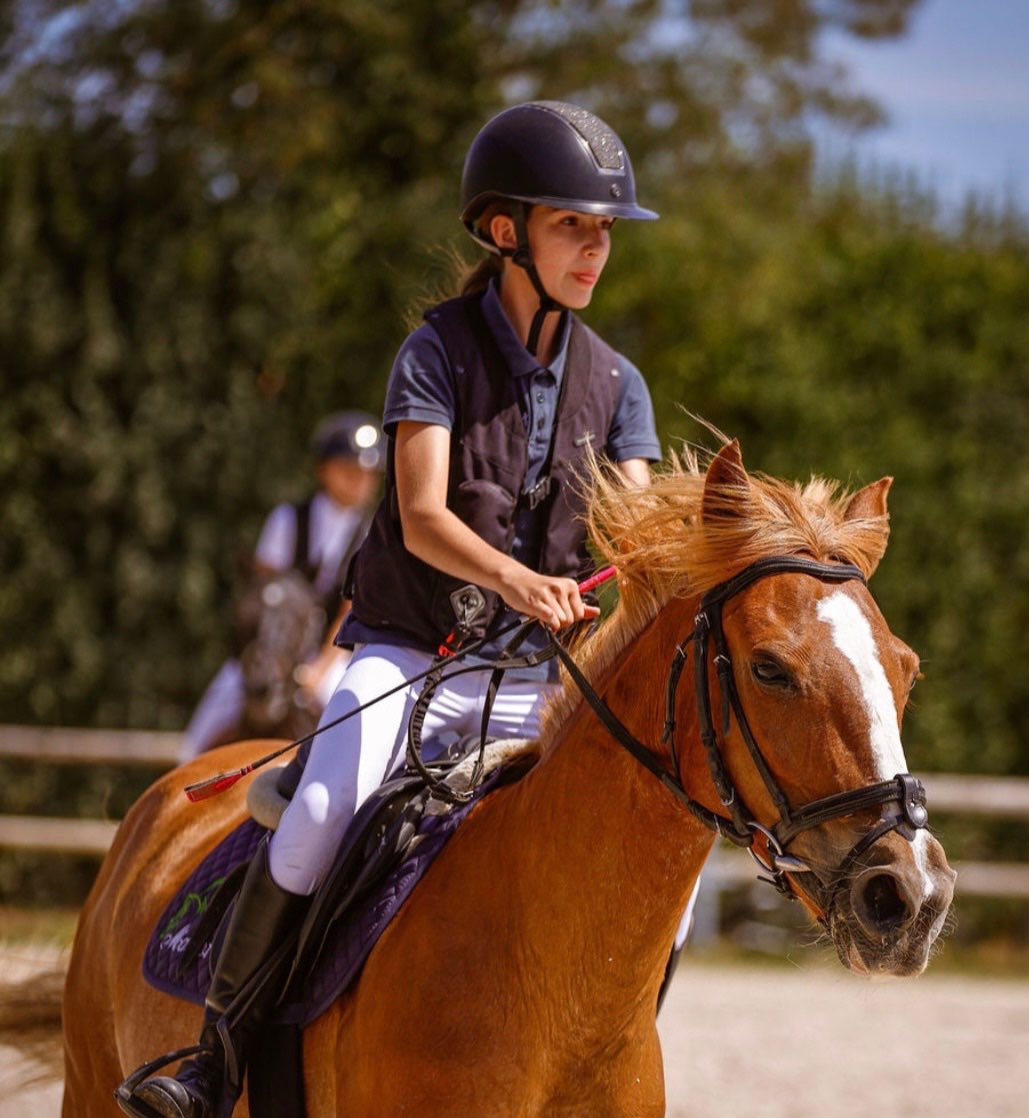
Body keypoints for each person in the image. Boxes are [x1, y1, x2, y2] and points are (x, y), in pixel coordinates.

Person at [119, 100, 662, 1118]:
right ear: (506, 231)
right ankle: (214, 1061)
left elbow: (635, 523)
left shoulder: (619, 383)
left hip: (541, 683)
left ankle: (595, 1067)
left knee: (648, 855)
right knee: (318, 811)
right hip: (412, 651)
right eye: (572, 225)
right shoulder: (436, 351)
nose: (596, 247)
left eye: (604, 230)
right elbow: (418, 514)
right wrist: (516, 580)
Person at [178, 412, 386, 763]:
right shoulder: (287, 519)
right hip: (272, 648)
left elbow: (351, 609)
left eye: (368, 473)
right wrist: (265, 657)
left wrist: (320, 668)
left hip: (329, 655)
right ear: (323, 470)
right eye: (349, 469)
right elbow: (263, 593)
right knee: (199, 736)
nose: (360, 480)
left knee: (360, 729)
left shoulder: (373, 533)